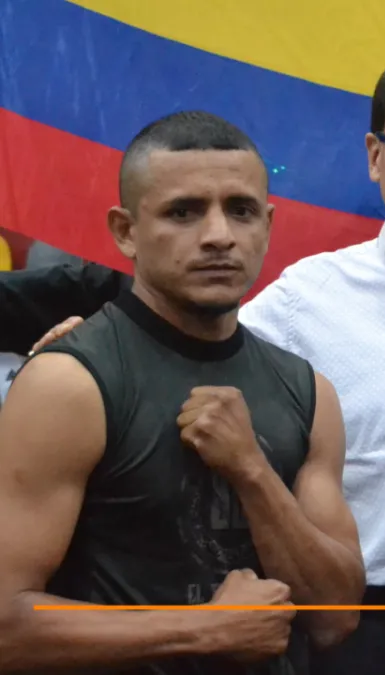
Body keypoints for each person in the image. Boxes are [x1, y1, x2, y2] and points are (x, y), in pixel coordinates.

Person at [0, 49, 385, 674]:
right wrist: (82, 353)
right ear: (374, 157)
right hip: (362, 632)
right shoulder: (301, 302)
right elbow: (183, 344)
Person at [0, 111, 366, 674]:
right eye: (183, 212)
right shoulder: (69, 385)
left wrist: (252, 471)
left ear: (267, 226)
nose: (219, 235)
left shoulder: (307, 391)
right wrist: (204, 630)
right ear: (125, 231)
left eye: (240, 210)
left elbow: (336, 616)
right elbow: (5, 626)